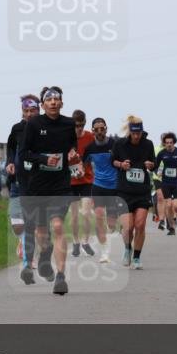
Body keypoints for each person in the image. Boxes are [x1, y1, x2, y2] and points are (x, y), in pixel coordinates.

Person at [21, 86, 80, 294]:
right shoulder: (34, 124)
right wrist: (45, 159)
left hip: (61, 185)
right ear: (43, 104)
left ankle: (61, 277)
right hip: (38, 186)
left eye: (57, 99)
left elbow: (73, 144)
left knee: (57, 226)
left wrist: (73, 152)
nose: (53, 102)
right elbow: (25, 153)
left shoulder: (68, 123)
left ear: (62, 103)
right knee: (41, 233)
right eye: (49, 99)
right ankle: (45, 257)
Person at [111, 116, 156, 269]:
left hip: (142, 191)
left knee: (140, 224)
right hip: (124, 191)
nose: (137, 136)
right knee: (128, 227)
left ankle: (136, 257)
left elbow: (153, 164)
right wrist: (121, 164)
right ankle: (127, 249)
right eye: (134, 133)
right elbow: (113, 161)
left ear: (142, 132)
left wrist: (150, 165)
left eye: (139, 133)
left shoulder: (148, 144)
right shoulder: (120, 144)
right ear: (130, 132)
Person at [6, 94, 40, 283]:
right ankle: (22, 240)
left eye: (32, 110)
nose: (29, 114)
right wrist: (10, 162)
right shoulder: (17, 128)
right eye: (26, 111)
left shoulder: (45, 129)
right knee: (18, 225)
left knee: (31, 225)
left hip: (36, 183)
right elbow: (11, 147)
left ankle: (28, 262)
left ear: (38, 110)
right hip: (17, 182)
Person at [84, 117, 120, 263]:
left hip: (114, 187)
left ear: (106, 129)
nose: (99, 131)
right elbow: (81, 164)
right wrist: (80, 170)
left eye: (102, 128)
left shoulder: (115, 145)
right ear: (92, 131)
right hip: (98, 185)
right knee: (98, 216)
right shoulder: (90, 148)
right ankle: (104, 252)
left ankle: (115, 226)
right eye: (96, 129)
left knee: (111, 224)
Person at [68, 109, 96, 258]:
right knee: (73, 216)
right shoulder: (66, 137)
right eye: (77, 125)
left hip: (86, 180)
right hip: (71, 181)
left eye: (82, 125)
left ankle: (85, 241)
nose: (79, 128)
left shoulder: (90, 137)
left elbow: (96, 154)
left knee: (85, 213)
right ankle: (75, 241)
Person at [156, 132, 177, 235]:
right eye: (167, 143)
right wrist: (158, 172)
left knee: (176, 206)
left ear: (174, 142)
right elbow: (155, 165)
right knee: (168, 205)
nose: (169, 144)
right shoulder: (161, 153)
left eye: (171, 142)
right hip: (165, 182)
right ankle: (171, 228)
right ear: (164, 143)